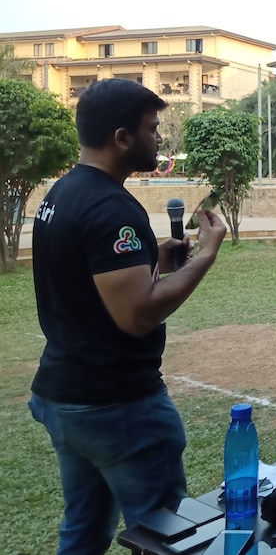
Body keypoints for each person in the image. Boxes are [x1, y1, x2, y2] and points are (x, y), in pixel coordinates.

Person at [29, 78, 228, 553]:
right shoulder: (110, 207)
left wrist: (152, 258)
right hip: (116, 406)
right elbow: (137, 315)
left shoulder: (62, 194)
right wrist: (205, 255)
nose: (158, 138)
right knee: (165, 537)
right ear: (122, 138)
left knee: (83, 532)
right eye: (152, 128)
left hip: (67, 395)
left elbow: (85, 278)